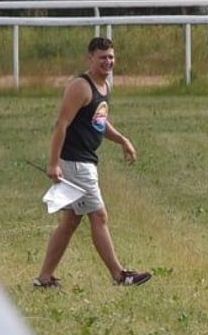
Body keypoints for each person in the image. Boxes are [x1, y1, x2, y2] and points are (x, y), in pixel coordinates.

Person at [33, 37, 151, 288]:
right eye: (102, 58)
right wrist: (53, 163)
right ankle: (120, 275)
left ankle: (44, 278)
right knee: (99, 215)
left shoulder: (104, 85)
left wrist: (122, 140)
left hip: (85, 161)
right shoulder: (81, 86)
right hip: (76, 163)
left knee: (71, 220)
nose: (108, 62)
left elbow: (99, 121)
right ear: (90, 59)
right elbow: (61, 124)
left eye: (111, 57)